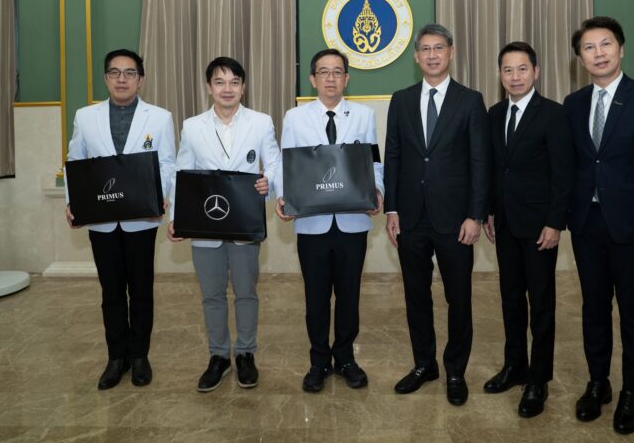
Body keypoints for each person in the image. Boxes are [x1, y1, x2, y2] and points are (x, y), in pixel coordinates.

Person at [563, 16, 634, 435]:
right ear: (580, 58)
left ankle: (632, 390)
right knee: (593, 308)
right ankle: (598, 382)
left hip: (632, 228)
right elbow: (572, 166)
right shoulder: (573, 104)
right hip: (586, 224)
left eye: (606, 44)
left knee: (633, 311)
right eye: (589, 48)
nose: (599, 53)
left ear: (621, 49)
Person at [384, 23, 489, 406]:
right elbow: (393, 155)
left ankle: (456, 370)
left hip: (455, 219)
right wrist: (392, 208)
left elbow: (479, 161)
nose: (432, 55)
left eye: (438, 48)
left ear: (451, 52)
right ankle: (424, 364)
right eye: (425, 49)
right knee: (416, 296)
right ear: (416, 56)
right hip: (410, 218)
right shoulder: (401, 100)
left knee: (458, 298)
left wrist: (475, 215)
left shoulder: (470, 100)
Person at [167, 57, 281, 392]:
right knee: (212, 294)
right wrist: (177, 218)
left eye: (234, 82)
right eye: (219, 82)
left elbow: (274, 163)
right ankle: (218, 356)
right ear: (209, 87)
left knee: (246, 292)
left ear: (243, 87)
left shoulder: (260, 122)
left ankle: (245, 353)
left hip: (245, 224)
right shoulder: (192, 126)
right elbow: (181, 174)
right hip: (205, 227)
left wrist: (269, 182)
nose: (227, 89)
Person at [65, 48, 176, 390]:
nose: (122, 79)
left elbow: (167, 163)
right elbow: (75, 161)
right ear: (106, 78)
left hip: (141, 218)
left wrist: (160, 194)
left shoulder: (160, 118)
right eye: (115, 72)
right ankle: (116, 358)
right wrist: (73, 202)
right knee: (111, 291)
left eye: (129, 73)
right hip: (101, 220)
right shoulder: (86, 116)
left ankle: (140, 356)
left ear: (140, 80)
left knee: (141, 290)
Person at [275, 48, 384, 393]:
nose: (331, 78)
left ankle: (346, 358)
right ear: (313, 79)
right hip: (312, 224)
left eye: (338, 72)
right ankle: (319, 361)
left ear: (347, 78)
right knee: (316, 297)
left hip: (353, 222)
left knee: (349, 296)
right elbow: (286, 163)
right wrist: (283, 196)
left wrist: (377, 190)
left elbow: (373, 161)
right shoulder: (295, 117)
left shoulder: (364, 115)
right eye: (324, 72)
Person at [483, 41, 574, 418]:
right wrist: (489, 211)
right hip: (504, 223)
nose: (515, 76)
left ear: (536, 72)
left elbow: (563, 174)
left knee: (541, 304)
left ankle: (538, 379)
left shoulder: (553, 114)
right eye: (508, 70)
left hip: (540, 227)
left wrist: (555, 222)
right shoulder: (493, 114)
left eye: (522, 69)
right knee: (510, 299)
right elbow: (493, 169)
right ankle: (515, 366)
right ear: (500, 75)